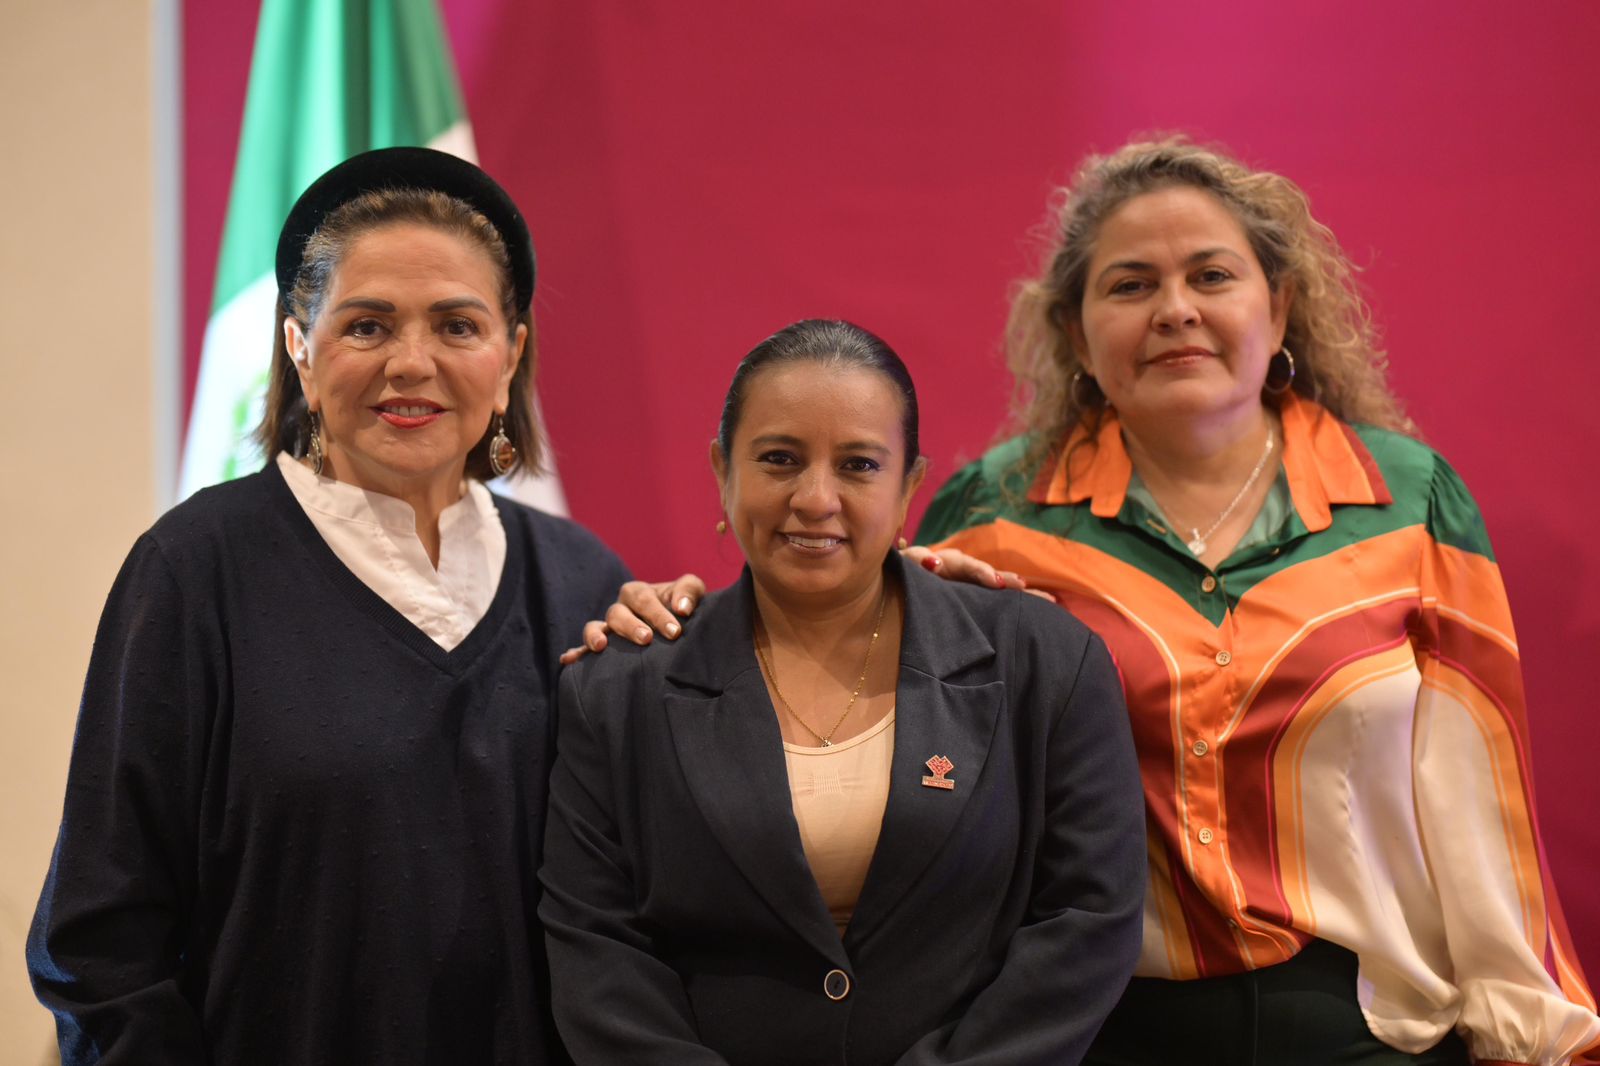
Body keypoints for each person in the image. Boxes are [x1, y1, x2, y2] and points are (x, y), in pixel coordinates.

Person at [592, 140, 1600, 1065]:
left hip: (1369, 1028)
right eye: (1131, 285)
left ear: (1281, 305)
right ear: (1075, 331)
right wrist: (679, 618)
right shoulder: (992, 515)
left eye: (1211, 275)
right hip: (1094, 1032)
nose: (1175, 310)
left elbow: (1482, 815)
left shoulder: (1409, 503)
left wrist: (1535, 1038)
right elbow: (832, 626)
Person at [28, 147, 631, 1064]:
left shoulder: (583, 582)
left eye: (457, 325)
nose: (412, 362)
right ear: (299, 348)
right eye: (367, 325)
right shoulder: (194, 572)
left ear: (510, 355)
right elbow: (100, 946)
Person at [539, 319, 1147, 1065]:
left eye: (858, 465)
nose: (815, 498)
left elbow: (1089, 919)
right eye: (779, 459)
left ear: (909, 485)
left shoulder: (1046, 661)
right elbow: (598, 949)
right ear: (723, 470)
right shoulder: (616, 689)